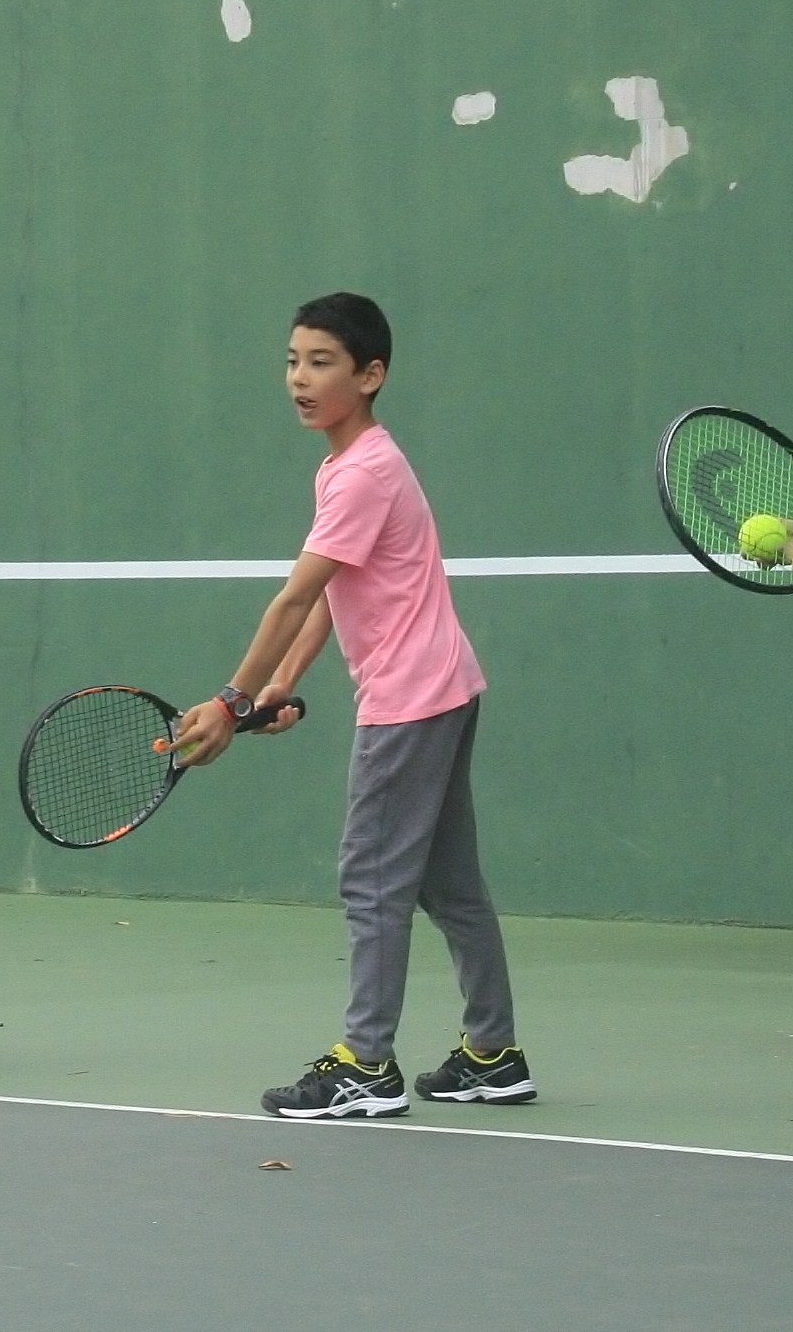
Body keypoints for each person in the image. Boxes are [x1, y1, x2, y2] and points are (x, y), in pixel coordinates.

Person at [169, 292, 530, 1119]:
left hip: (407, 702)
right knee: (449, 884)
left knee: (371, 880)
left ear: (370, 375)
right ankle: (493, 1051)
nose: (299, 378)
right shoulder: (354, 464)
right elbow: (336, 595)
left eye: (320, 362)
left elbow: (294, 597)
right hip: (442, 688)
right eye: (292, 360)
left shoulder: (361, 472)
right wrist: (280, 681)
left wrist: (227, 700)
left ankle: (366, 1063)